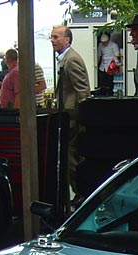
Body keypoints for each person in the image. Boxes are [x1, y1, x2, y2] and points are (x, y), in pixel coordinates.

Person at [50, 24, 91, 202]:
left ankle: (81, 193)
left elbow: (83, 91)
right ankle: (80, 193)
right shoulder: (65, 58)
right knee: (70, 157)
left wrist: (85, 118)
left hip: (74, 118)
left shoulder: (71, 59)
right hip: (70, 117)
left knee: (72, 157)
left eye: (56, 37)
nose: (52, 40)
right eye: (51, 37)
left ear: (67, 40)